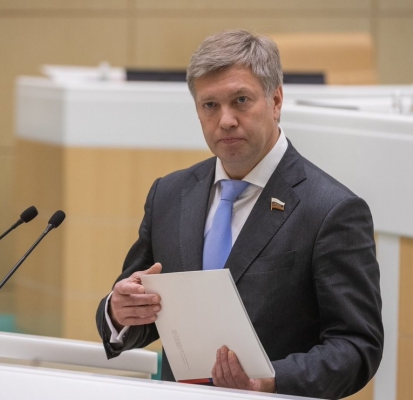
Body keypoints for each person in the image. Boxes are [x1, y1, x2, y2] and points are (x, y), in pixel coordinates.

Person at [96, 29, 383, 398]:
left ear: (275, 100)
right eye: (210, 105)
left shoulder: (331, 210)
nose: (226, 120)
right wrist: (118, 312)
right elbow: (142, 309)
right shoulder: (169, 194)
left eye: (241, 100)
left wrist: (269, 381)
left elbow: (357, 346)